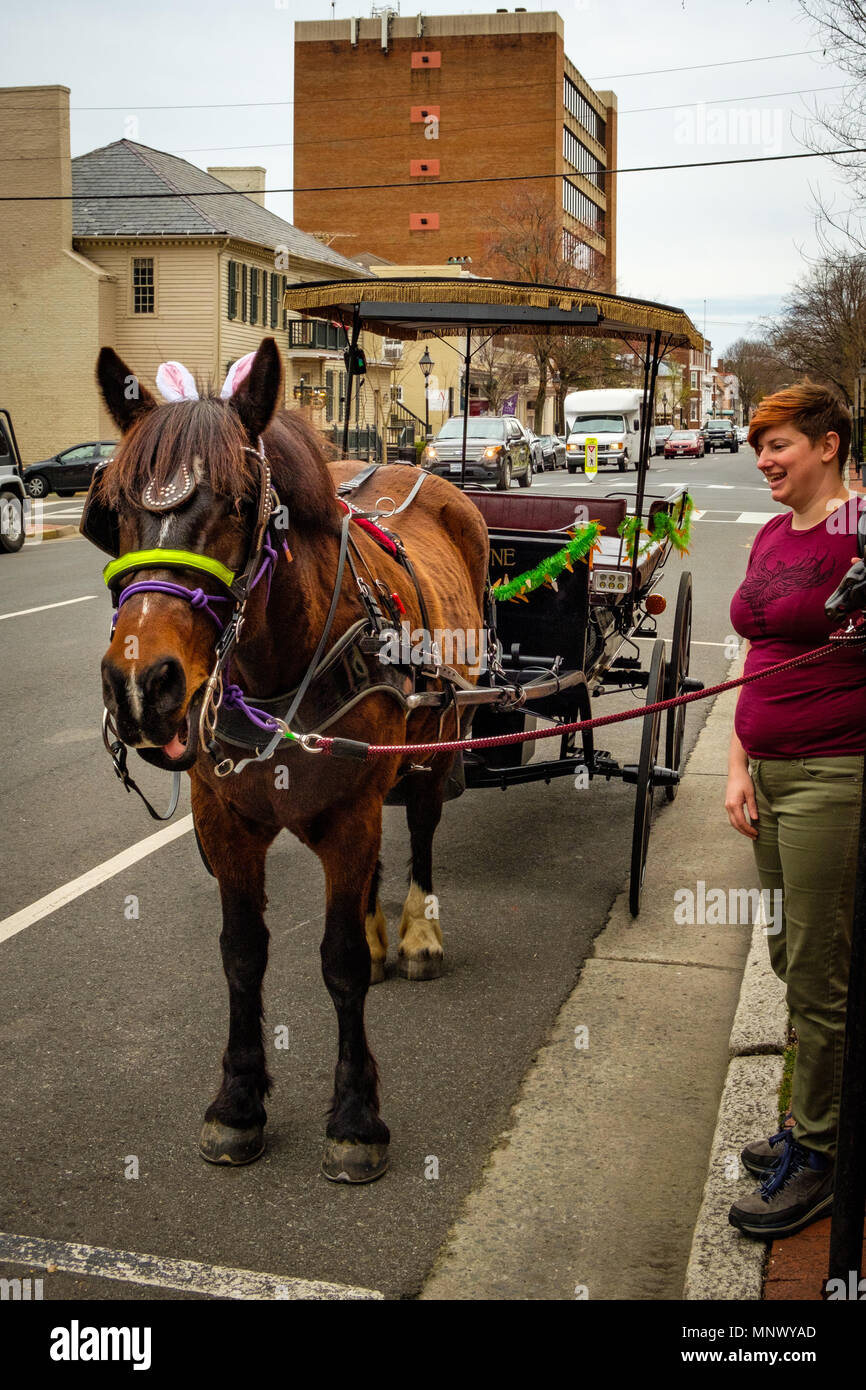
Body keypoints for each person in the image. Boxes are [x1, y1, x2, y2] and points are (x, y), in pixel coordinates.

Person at [725, 381, 863, 1239]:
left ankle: (819, 1153)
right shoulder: (775, 533)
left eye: (779, 444)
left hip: (831, 774)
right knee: (788, 955)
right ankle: (815, 1121)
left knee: (820, 970)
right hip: (769, 775)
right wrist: (737, 766)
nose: (765, 460)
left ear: (829, 444)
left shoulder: (860, 531)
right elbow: (753, 643)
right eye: (759, 446)